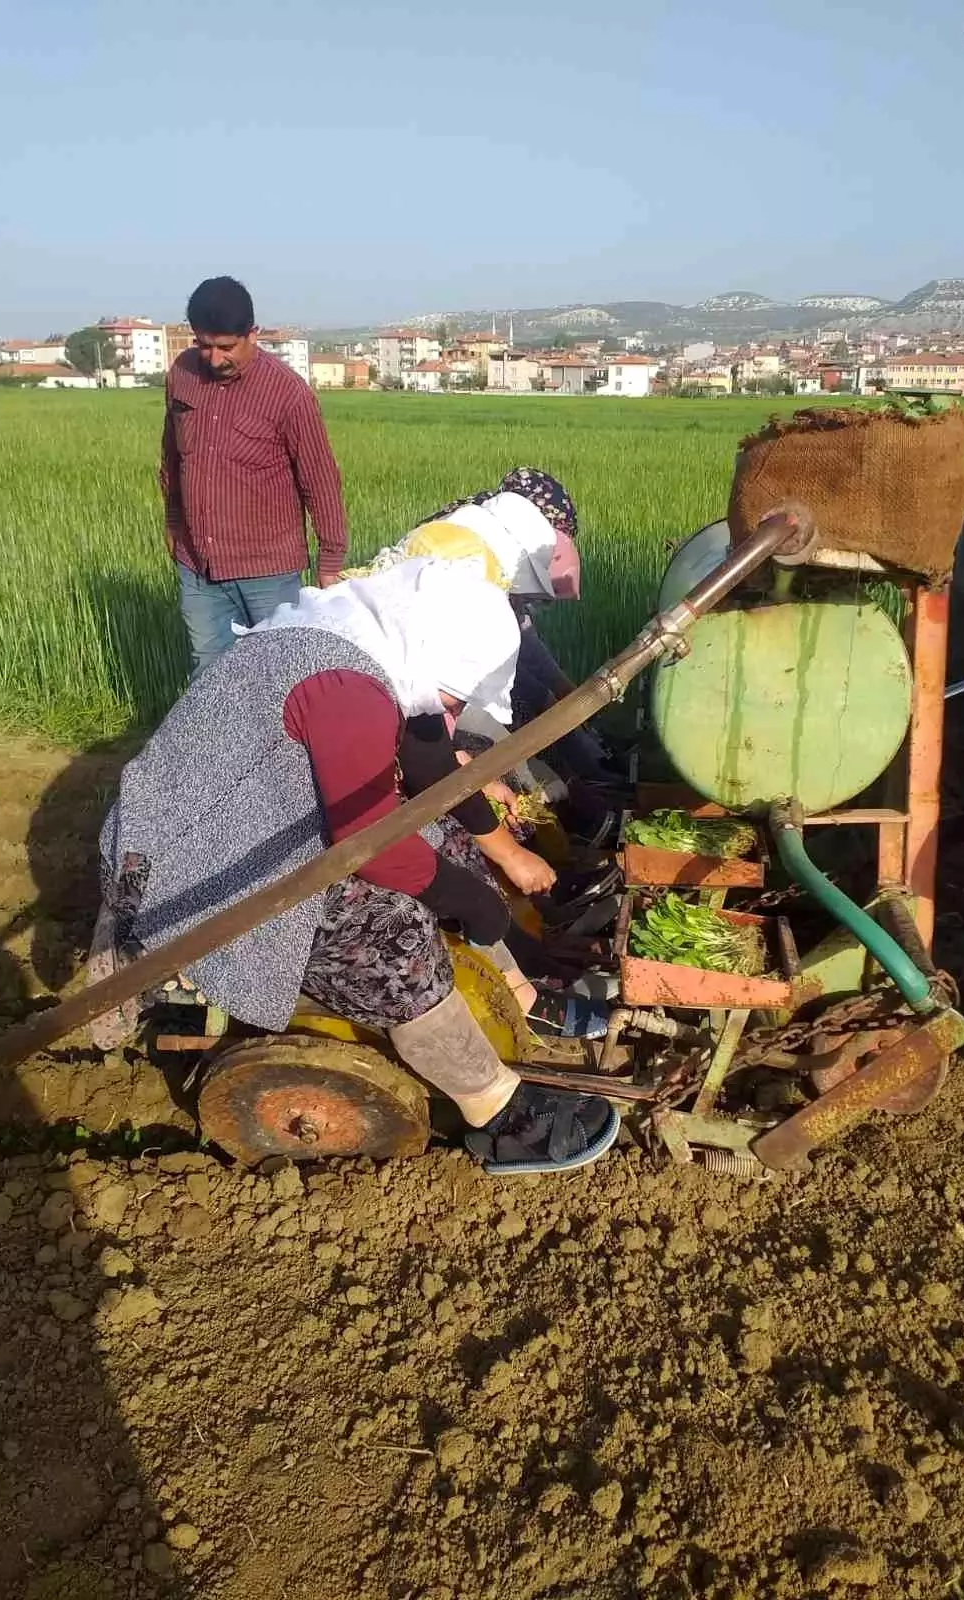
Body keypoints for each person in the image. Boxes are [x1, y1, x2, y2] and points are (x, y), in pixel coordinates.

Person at [88, 558, 619, 1175]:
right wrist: (471, 901)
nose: (452, 708)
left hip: (247, 819)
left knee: (441, 836)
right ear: (434, 650)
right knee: (386, 933)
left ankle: (516, 996)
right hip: (195, 862)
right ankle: (500, 1116)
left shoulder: (371, 635)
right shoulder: (344, 683)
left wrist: (487, 876)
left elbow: (430, 770)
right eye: (455, 693)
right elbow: (371, 841)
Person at [346, 467, 622, 789]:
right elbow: (446, 685)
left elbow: (524, 641)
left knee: (523, 717)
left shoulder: (491, 549)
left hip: (404, 682)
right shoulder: (470, 561)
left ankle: (581, 777)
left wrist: (567, 695)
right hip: (403, 683)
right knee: (502, 750)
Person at [161, 275, 350, 677]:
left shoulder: (288, 393)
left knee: (277, 677)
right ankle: (214, 743)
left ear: (253, 335)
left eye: (226, 347)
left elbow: (320, 480)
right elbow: (172, 456)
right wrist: (174, 520)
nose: (213, 359)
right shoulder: (182, 374)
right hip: (198, 565)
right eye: (203, 345)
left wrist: (330, 561)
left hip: (269, 573)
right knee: (209, 675)